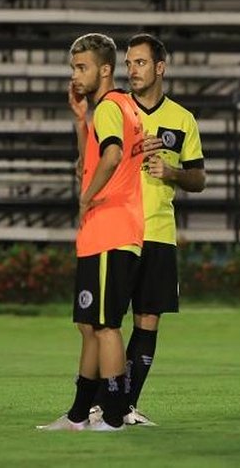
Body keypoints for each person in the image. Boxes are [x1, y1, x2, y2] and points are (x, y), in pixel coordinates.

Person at [39, 32, 146, 432]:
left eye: (81, 67)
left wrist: (87, 196)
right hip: (105, 233)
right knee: (90, 326)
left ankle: (114, 415)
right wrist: (79, 121)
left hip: (110, 230)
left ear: (104, 69)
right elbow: (90, 160)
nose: (75, 75)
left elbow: (114, 155)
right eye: (73, 68)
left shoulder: (110, 107)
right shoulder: (113, 109)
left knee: (105, 326)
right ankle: (79, 414)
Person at [119, 33, 207, 426]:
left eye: (139, 62)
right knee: (103, 324)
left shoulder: (182, 119)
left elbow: (199, 178)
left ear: (160, 67)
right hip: (119, 231)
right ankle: (93, 402)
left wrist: (171, 172)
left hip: (158, 233)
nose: (132, 70)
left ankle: (124, 407)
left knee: (148, 321)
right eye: (128, 63)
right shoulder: (115, 110)